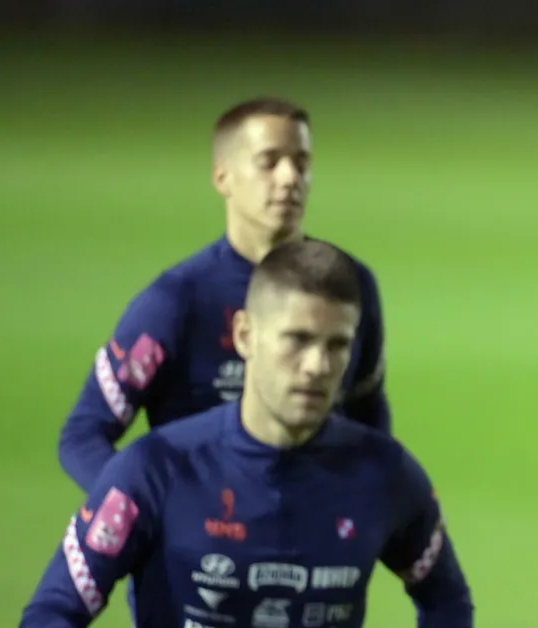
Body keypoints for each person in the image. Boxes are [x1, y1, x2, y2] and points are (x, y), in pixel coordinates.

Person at [18, 240, 474, 628]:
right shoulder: (156, 471)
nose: (318, 366)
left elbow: (446, 600)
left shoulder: (383, 476)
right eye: (298, 340)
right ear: (244, 335)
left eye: (338, 345)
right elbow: (47, 620)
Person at [58, 96, 390, 494]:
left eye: (301, 162)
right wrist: (149, 511)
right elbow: (84, 436)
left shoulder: (350, 285)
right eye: (269, 162)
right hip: (209, 549)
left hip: (315, 544)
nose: (289, 178)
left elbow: (368, 414)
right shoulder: (177, 302)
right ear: (223, 177)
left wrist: (373, 504)